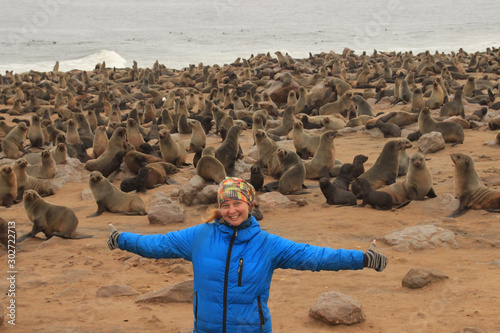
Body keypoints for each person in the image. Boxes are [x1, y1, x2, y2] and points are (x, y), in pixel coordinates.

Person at [107, 177, 387, 332]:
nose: (231, 210)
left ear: (249, 204)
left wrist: (362, 258)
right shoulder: (198, 236)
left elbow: (314, 256)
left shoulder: (267, 244)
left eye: (237, 203)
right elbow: (155, 245)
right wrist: (121, 239)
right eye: (225, 204)